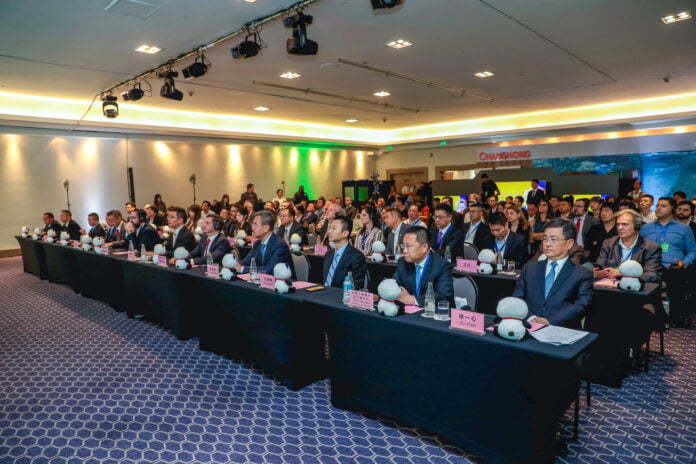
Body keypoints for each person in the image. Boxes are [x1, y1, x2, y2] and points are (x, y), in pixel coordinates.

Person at [512, 218, 593, 328]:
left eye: (553, 239)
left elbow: (581, 305)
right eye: (545, 239)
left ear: (569, 243)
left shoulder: (582, 274)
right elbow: (517, 298)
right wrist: (531, 318)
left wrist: (549, 321)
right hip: (529, 326)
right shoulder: (529, 269)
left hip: (562, 330)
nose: (547, 244)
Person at [640, 197, 696, 326]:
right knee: (647, 289)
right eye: (657, 205)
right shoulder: (645, 228)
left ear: (673, 209)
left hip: (674, 266)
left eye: (663, 206)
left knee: (677, 288)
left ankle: (675, 318)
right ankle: (655, 318)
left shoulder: (684, 229)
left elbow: (693, 250)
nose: (658, 208)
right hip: (650, 266)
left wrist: (684, 263)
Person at [594, 209, 662, 283]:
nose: (620, 228)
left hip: (635, 287)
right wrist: (600, 272)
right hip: (608, 285)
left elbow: (653, 275)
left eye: (625, 224)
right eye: (618, 224)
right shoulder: (608, 243)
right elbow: (600, 265)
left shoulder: (651, 247)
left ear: (636, 226)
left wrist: (624, 275)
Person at [392, 226, 454, 306]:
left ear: (424, 247)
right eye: (403, 246)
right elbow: (394, 284)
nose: (404, 251)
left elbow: (443, 296)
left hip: (433, 311)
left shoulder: (442, 265)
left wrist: (413, 299)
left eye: (408, 246)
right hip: (409, 311)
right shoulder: (402, 262)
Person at [236, 211, 295, 276]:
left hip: (282, 281)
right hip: (262, 280)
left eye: (255, 225)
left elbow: (270, 269)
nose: (252, 228)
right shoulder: (257, 243)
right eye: (252, 225)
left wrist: (242, 269)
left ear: (266, 228)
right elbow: (246, 262)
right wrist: (234, 266)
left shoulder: (279, 245)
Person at [322, 216, 367, 289]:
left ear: (345, 233)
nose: (329, 231)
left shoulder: (356, 257)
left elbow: (355, 287)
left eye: (334, 228)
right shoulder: (328, 255)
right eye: (330, 228)